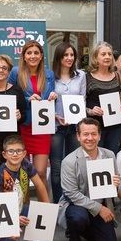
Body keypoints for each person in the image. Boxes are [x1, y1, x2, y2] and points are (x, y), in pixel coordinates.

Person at [0, 135, 58, 241]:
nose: (15, 154)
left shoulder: (25, 164)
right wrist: (14, 220)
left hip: (21, 208)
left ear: (24, 153)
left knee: (47, 214)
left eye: (19, 151)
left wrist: (47, 209)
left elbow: (39, 185)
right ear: (4, 154)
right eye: (11, 151)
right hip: (4, 216)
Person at [59, 118, 120, 241]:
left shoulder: (109, 155)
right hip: (77, 205)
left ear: (99, 136)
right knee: (77, 218)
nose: (90, 138)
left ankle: (83, 229)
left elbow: (113, 189)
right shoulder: (69, 161)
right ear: (78, 136)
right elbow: (71, 194)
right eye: (85, 134)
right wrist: (100, 209)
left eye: (93, 134)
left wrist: (116, 184)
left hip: (101, 203)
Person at [8, 40, 56, 192]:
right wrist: (28, 99)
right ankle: (24, 210)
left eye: (36, 53)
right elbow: (9, 94)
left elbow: (50, 97)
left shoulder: (49, 74)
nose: (33, 56)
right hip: (24, 126)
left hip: (42, 128)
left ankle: (45, 210)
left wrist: (54, 96)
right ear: (24, 56)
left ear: (41, 56)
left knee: (40, 171)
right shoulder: (16, 72)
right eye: (29, 53)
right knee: (22, 173)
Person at [50, 43, 85, 203]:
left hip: (74, 126)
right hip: (56, 126)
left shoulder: (81, 76)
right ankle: (58, 203)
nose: (69, 58)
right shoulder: (51, 76)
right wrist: (55, 115)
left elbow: (82, 100)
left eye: (72, 55)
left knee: (75, 164)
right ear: (59, 57)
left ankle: (73, 201)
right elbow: (46, 101)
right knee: (56, 166)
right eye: (66, 55)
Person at [85, 43, 121, 154]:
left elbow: (120, 97)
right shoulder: (87, 77)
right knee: (95, 156)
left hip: (115, 125)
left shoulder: (116, 75)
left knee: (111, 155)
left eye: (109, 54)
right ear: (95, 57)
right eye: (103, 54)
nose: (107, 57)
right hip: (95, 126)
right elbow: (80, 102)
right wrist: (91, 111)